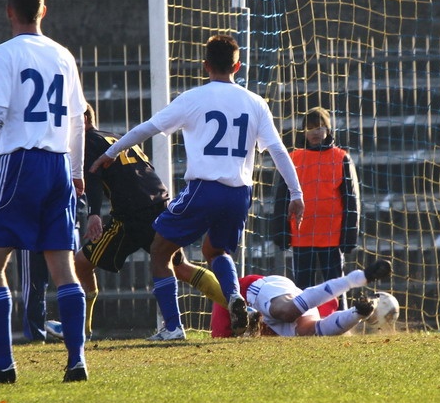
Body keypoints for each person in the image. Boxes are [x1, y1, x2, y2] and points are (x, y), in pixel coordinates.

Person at [89, 34, 305, 341]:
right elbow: (278, 150)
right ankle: (233, 297)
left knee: (160, 250)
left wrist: (110, 153)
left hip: (205, 189)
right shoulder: (255, 102)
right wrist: (296, 194)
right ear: (238, 66)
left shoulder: (194, 98)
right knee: (216, 250)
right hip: (239, 194)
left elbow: (147, 128)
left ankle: (173, 328)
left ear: (205, 66)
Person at [0, 0, 88, 385]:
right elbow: (77, 121)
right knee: (63, 267)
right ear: (43, 11)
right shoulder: (63, 55)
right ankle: (76, 360)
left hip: (20, 165)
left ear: (8, 11)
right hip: (58, 165)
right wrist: (78, 172)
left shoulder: (4, 53)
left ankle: (2, 363)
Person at [43, 103, 230, 341]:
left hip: (132, 215)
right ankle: (239, 305)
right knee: (181, 268)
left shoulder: (87, 141)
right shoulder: (114, 137)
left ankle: (79, 329)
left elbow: (92, 179)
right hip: (159, 204)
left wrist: (93, 214)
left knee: (81, 263)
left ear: (84, 120)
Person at [272, 106, 361, 291]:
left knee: (335, 288)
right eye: (310, 128)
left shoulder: (341, 158)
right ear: (303, 132)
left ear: (328, 130)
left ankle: (339, 318)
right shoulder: (293, 158)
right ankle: (306, 321)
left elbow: (351, 200)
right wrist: (281, 231)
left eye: (320, 127)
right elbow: (282, 198)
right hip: (301, 236)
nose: (315, 132)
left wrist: (349, 235)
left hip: (332, 237)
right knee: (303, 290)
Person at [242, 258, 391, 337]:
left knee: (287, 312)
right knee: (309, 332)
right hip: (280, 322)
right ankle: (358, 312)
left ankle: (357, 279)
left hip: (259, 290)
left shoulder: (233, 291)